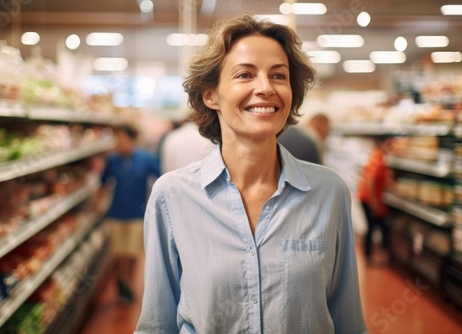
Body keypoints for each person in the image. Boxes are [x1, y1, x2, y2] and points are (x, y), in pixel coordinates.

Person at [136, 14, 367, 333]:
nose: (265, 88)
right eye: (245, 74)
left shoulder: (329, 193)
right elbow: (157, 325)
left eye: (279, 76)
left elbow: (348, 322)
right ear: (210, 94)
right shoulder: (173, 196)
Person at [100, 126, 160, 303]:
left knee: (133, 252)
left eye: (122, 139)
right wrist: (96, 205)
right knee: (119, 252)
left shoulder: (146, 159)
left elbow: (160, 179)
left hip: (138, 212)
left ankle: (129, 283)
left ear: (131, 140)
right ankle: (123, 283)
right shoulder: (112, 161)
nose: (119, 143)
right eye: (117, 139)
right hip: (117, 211)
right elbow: (103, 183)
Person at [357, 136, 393, 265]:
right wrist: (373, 202)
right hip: (369, 198)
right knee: (373, 226)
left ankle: (373, 255)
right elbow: (371, 180)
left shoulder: (375, 155)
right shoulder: (379, 159)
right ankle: (370, 256)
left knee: (374, 226)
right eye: (390, 144)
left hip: (365, 197)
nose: (392, 147)